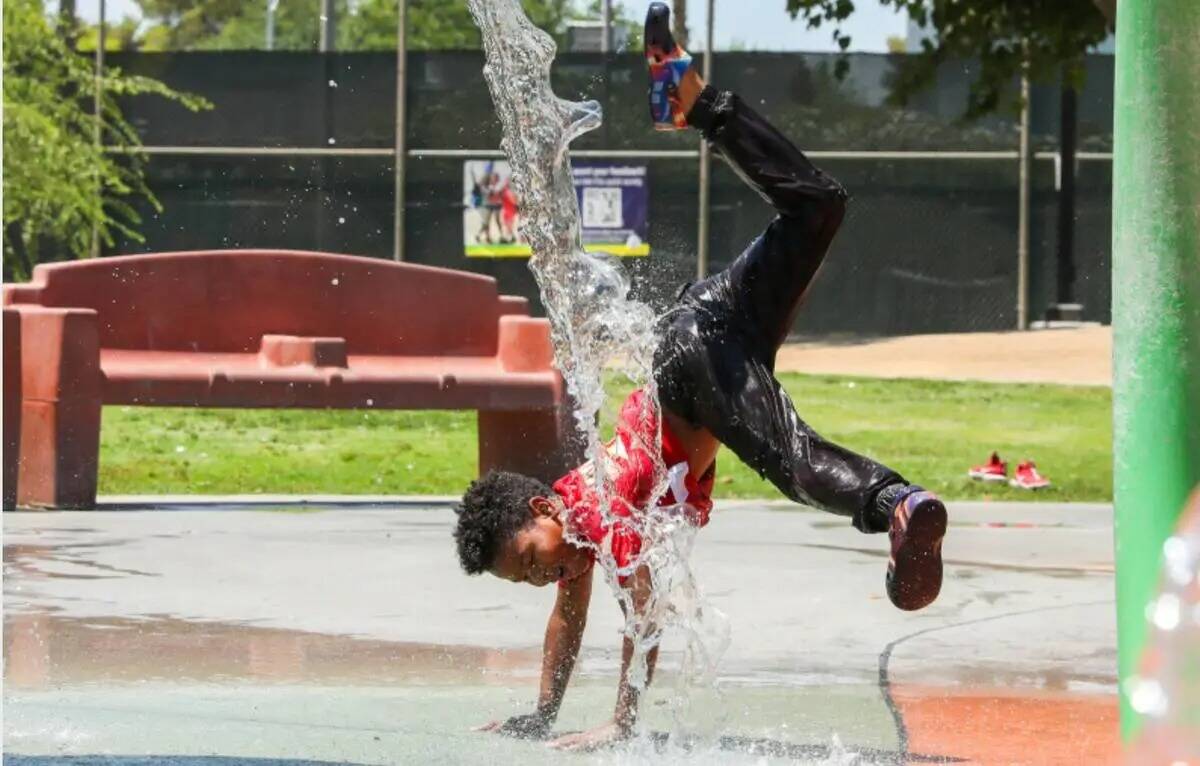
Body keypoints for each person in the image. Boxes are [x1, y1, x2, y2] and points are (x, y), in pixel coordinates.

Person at [454, 3, 948, 752]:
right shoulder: (578, 530)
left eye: (529, 559)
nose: (540, 577)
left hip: (691, 365)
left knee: (791, 457)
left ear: (542, 504)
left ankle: (897, 504)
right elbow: (568, 618)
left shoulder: (608, 514)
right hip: (709, 321)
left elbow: (642, 615)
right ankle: (692, 100)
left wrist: (618, 725)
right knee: (816, 209)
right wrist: (542, 715)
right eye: (524, 579)